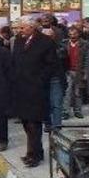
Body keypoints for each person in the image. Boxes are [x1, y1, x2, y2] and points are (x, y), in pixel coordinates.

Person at [11, 17, 57, 168]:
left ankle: (35, 155)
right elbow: (15, 61)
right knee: (26, 122)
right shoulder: (18, 40)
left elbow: (51, 65)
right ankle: (33, 150)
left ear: (31, 27)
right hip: (21, 88)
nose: (19, 30)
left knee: (34, 123)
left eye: (22, 28)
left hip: (36, 90)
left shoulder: (45, 42)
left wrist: (40, 80)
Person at [62, 25, 89, 120]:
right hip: (67, 71)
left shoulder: (85, 44)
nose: (72, 36)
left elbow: (87, 59)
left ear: (79, 34)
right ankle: (65, 111)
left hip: (79, 71)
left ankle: (77, 110)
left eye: (74, 34)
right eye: (70, 34)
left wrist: (86, 72)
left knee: (78, 92)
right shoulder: (64, 43)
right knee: (67, 92)